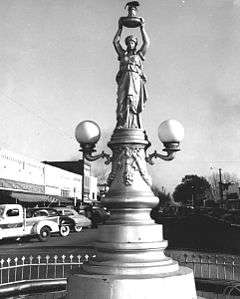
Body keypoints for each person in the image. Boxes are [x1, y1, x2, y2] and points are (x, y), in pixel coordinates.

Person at [113, 18, 150, 129]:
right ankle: (121, 123)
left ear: (135, 44)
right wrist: (120, 28)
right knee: (121, 101)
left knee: (133, 101)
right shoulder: (123, 55)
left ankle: (134, 125)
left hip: (135, 81)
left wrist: (142, 28)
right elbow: (115, 42)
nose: (130, 44)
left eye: (133, 42)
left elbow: (147, 43)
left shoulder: (139, 55)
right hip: (124, 80)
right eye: (128, 42)